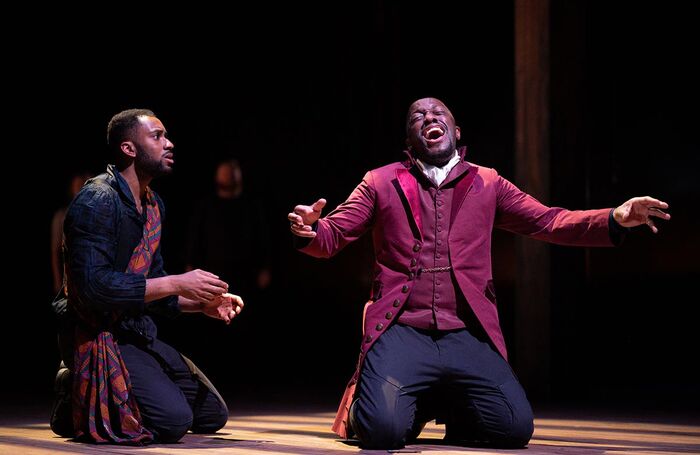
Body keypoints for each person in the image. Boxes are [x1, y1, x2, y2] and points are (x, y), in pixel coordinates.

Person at [287, 97, 670, 450]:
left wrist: (614, 218)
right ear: (409, 138)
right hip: (401, 329)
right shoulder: (381, 181)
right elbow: (332, 235)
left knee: (513, 428)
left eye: (439, 114)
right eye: (418, 116)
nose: (429, 118)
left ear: (455, 132)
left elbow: (549, 221)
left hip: (466, 332)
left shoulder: (487, 182)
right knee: (380, 432)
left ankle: (445, 398)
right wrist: (309, 230)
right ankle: (378, 406)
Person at [52, 109, 244, 445]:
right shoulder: (97, 200)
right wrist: (177, 282)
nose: (169, 144)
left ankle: (114, 394)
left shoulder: (153, 206)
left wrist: (201, 305)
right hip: (98, 332)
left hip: (135, 331)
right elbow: (93, 287)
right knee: (174, 422)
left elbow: (153, 285)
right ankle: (77, 390)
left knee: (212, 414)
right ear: (129, 148)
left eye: (166, 136)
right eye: (157, 136)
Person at [186, 158, 271, 296]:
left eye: (231, 173)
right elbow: (195, 237)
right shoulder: (206, 206)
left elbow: (263, 238)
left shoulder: (251, 206)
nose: (228, 177)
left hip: (246, 274)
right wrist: (190, 265)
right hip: (213, 272)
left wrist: (265, 268)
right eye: (225, 173)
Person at [50, 171, 91, 293]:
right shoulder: (61, 216)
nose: (80, 189)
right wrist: (57, 281)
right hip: (71, 275)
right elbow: (54, 251)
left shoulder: (93, 213)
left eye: (83, 186)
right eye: (77, 186)